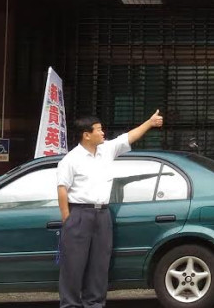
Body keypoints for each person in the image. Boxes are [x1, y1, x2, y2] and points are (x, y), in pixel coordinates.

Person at [57, 111, 164, 308]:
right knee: (73, 263)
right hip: (80, 213)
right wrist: (67, 218)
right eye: (99, 130)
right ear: (86, 134)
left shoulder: (106, 150)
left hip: (103, 214)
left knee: (100, 263)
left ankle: (95, 304)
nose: (103, 133)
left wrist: (149, 123)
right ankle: (70, 304)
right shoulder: (70, 160)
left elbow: (129, 137)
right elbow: (62, 188)